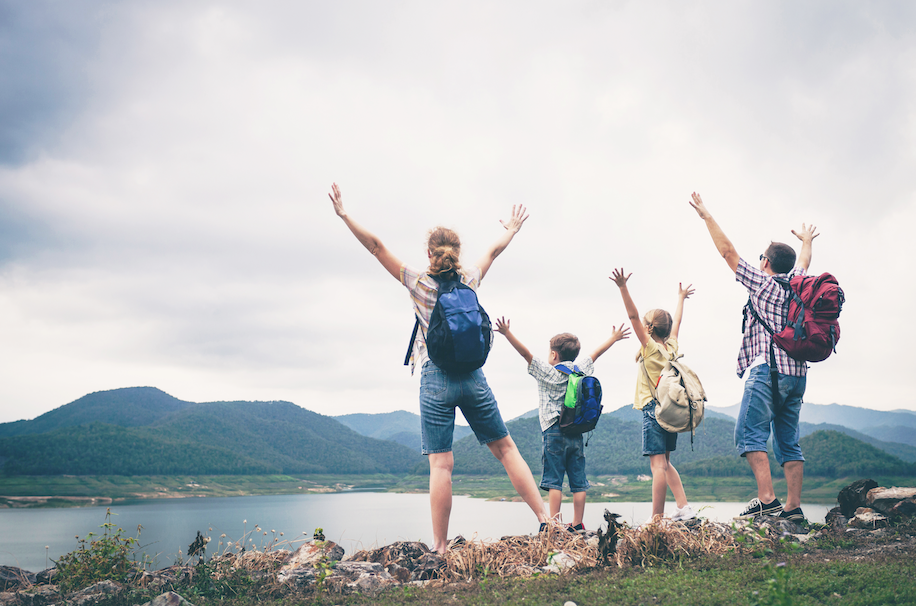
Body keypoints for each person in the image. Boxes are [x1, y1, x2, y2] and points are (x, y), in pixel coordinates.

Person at [328, 182, 548, 553]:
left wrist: (344, 215)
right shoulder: (470, 280)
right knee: (507, 449)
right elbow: (494, 251)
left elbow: (376, 247)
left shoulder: (418, 283)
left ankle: (442, 547)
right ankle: (546, 521)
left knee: (441, 465)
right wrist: (511, 229)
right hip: (473, 376)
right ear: (457, 253)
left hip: (435, 377)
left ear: (429, 253)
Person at [687, 192, 818, 524]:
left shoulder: (763, 284)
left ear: (766, 262)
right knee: (788, 439)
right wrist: (806, 241)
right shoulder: (798, 284)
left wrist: (706, 216)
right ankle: (793, 507)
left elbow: (728, 252)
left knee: (748, 434)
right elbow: (803, 262)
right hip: (797, 375)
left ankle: (767, 500)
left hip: (767, 371)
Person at [494, 318, 630, 532]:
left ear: (554, 355)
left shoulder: (547, 372)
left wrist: (507, 333)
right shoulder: (580, 369)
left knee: (554, 481)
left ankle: (554, 523)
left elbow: (526, 354)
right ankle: (578, 524)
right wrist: (613, 338)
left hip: (553, 432)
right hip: (576, 431)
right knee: (578, 481)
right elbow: (595, 354)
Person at [611, 268, 697, 524]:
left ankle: (656, 519)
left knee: (657, 466)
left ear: (648, 328)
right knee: (666, 463)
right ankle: (683, 507)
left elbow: (632, 315)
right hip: (670, 409)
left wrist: (622, 287)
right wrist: (681, 298)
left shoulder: (649, 347)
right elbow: (677, 323)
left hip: (653, 408)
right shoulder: (671, 347)